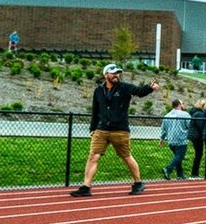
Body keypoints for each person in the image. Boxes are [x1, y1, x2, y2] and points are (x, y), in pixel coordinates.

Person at [71, 63, 160, 197]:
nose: (116, 75)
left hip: (120, 130)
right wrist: (92, 127)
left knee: (126, 157)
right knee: (93, 156)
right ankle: (86, 186)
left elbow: (140, 92)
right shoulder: (98, 90)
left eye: (118, 73)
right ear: (106, 74)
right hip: (101, 130)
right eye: (113, 73)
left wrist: (150, 88)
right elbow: (95, 110)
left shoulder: (124, 87)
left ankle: (138, 183)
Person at [160, 99, 190, 180]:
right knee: (179, 156)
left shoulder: (167, 115)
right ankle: (168, 169)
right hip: (181, 139)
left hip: (171, 140)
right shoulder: (185, 114)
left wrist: (162, 138)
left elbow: (163, 129)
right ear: (179, 105)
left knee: (177, 157)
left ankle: (180, 175)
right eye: (182, 103)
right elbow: (190, 126)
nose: (183, 105)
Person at [187, 98, 206, 178]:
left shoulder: (195, 112)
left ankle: (194, 173)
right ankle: (194, 173)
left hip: (194, 136)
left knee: (198, 154)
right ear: (202, 105)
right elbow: (201, 126)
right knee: (199, 154)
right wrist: (204, 136)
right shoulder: (199, 114)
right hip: (197, 137)